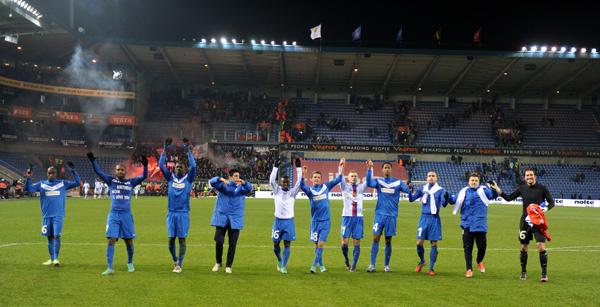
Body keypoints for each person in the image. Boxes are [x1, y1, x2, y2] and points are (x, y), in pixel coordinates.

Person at [88, 151, 148, 276]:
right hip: (113, 215)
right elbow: (98, 172)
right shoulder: (111, 181)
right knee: (111, 239)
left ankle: (129, 262)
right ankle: (110, 268)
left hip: (126, 215)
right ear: (115, 172)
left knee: (129, 241)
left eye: (122, 170)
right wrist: (93, 161)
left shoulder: (130, 183)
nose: (120, 172)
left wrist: (146, 166)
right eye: (118, 170)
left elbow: (143, 177)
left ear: (125, 172)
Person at [489, 168, 555, 282]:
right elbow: (509, 198)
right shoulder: (522, 188)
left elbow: (552, 202)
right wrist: (498, 189)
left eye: (531, 175)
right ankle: (523, 272)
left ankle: (544, 274)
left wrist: (546, 208)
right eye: (527, 175)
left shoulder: (542, 188)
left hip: (538, 221)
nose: (529, 177)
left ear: (535, 176)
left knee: (541, 246)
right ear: (525, 177)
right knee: (524, 247)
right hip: (525, 221)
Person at [24, 163, 81, 266]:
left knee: (57, 236)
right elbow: (27, 189)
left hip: (58, 215)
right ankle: (51, 259)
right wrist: (28, 178)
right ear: (47, 173)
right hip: (46, 216)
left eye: (53, 173)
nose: (51, 175)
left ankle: (56, 259)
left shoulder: (63, 183)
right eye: (49, 173)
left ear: (56, 174)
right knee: (49, 237)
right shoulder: (41, 184)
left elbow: (78, 183)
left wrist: (74, 172)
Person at [447, 173, 498, 278]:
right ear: (469, 181)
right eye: (472, 180)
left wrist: (494, 189)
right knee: (467, 248)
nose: (474, 182)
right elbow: (453, 201)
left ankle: (479, 261)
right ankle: (469, 270)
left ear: (478, 182)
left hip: (480, 224)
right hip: (467, 224)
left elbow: (493, 196)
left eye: (476, 180)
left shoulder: (483, 190)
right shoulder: (463, 192)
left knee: (482, 248)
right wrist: (447, 196)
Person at [365, 160, 411, 273]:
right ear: (382, 170)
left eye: (388, 168)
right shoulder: (379, 181)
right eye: (385, 167)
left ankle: (386, 265)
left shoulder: (398, 182)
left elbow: (407, 191)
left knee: (388, 241)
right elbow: (369, 184)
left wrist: (410, 187)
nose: (386, 169)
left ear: (391, 169)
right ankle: (372, 265)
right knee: (375, 238)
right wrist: (369, 169)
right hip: (379, 215)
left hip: (391, 215)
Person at [159, 137, 196, 273]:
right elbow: (161, 166)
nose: (178, 168)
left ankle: (179, 264)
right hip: (171, 213)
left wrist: (189, 152)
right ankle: (175, 259)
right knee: (170, 239)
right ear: (174, 169)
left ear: (184, 169)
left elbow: (194, 166)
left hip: (183, 213)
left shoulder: (188, 178)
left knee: (182, 240)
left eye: (181, 167)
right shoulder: (170, 177)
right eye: (177, 167)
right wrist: (164, 151)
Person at [300, 159, 344, 273]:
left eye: (318, 177)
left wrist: (341, 167)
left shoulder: (326, 187)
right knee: (316, 245)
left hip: (325, 221)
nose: (317, 179)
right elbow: (301, 185)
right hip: (315, 222)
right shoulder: (310, 191)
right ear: (311, 179)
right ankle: (322, 265)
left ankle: (313, 266)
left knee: (320, 243)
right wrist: (303, 174)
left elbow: (338, 179)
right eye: (314, 177)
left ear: (321, 179)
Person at [209, 169, 253, 274]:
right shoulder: (223, 186)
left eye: (238, 176)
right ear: (230, 177)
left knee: (232, 244)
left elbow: (250, 188)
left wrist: (244, 182)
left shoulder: (242, 187)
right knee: (218, 240)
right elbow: (212, 182)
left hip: (235, 219)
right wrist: (221, 179)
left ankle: (228, 266)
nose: (238, 178)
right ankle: (218, 262)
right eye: (236, 176)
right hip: (222, 217)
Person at [407, 171, 447, 276]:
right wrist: (410, 189)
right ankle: (422, 261)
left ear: (436, 178)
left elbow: (444, 203)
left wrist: (446, 198)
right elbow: (411, 199)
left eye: (433, 176)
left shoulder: (440, 190)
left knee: (433, 243)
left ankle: (431, 268)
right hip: (423, 218)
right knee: (419, 243)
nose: (431, 177)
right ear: (426, 178)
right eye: (429, 176)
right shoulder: (422, 189)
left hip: (434, 218)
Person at [270, 157, 303, 274]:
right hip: (278, 221)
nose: (285, 184)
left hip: (289, 221)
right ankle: (279, 259)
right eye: (283, 182)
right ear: (280, 182)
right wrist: (275, 168)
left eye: (287, 182)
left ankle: (284, 266)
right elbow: (271, 181)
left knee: (287, 244)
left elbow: (299, 183)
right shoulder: (277, 190)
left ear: (289, 183)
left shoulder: (292, 193)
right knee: (275, 244)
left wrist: (298, 168)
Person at [339, 163, 368, 272]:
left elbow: (369, 180)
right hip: (346, 218)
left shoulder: (361, 187)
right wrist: (341, 167)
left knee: (356, 241)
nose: (354, 178)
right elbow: (340, 178)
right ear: (348, 177)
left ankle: (354, 265)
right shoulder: (344, 187)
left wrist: (370, 168)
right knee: (344, 242)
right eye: (351, 176)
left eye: (355, 176)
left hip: (358, 218)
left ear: (358, 178)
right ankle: (347, 259)